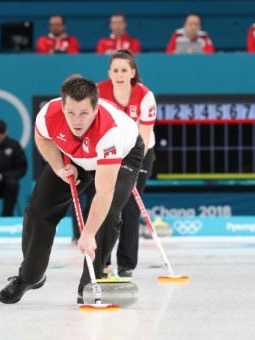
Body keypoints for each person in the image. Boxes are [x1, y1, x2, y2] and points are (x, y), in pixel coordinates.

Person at [0, 75, 144, 304]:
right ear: (62, 106)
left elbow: (104, 190)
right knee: (39, 210)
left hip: (121, 156)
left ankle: (88, 285)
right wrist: (58, 168)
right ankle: (30, 277)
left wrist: (86, 234)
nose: (77, 121)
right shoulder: (49, 114)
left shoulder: (110, 131)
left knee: (105, 217)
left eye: (84, 113)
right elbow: (42, 138)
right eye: (71, 113)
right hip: (74, 156)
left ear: (96, 108)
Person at [97, 49, 157, 277]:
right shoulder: (98, 91)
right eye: (115, 70)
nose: (120, 74)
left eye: (124, 70)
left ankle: (126, 264)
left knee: (130, 206)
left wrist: (129, 165)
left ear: (132, 72)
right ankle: (103, 261)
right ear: (109, 73)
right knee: (106, 203)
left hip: (139, 152)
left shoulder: (144, 95)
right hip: (110, 151)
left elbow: (143, 134)